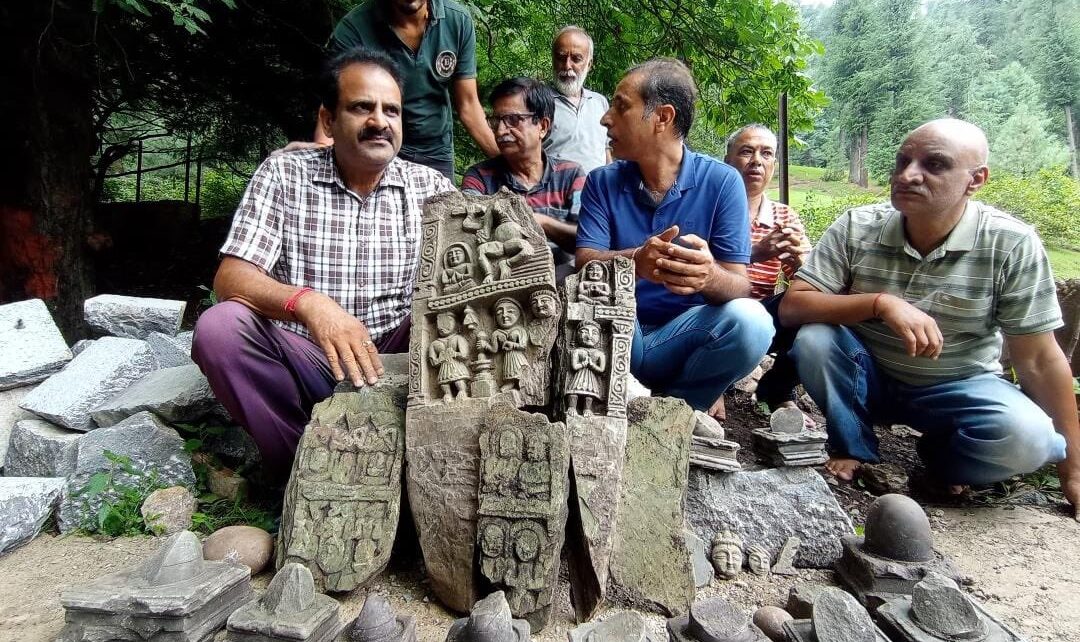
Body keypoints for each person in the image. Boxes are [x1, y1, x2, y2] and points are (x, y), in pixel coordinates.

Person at [780, 118, 1079, 514]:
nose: (907, 175)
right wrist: (881, 303)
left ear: (976, 180)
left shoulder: (1011, 243)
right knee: (816, 339)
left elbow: (1039, 360)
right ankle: (855, 444)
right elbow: (794, 306)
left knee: (1031, 439)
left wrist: (1073, 472)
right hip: (866, 376)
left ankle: (941, 463)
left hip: (959, 385)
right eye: (902, 161)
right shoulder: (856, 226)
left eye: (934, 165)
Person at [191, 47, 455, 480]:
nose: (380, 122)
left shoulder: (431, 188)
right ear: (328, 120)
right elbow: (231, 277)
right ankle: (303, 468)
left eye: (391, 110)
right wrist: (310, 305)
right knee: (220, 329)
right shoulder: (285, 174)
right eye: (362, 107)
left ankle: (426, 467)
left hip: (400, 358)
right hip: (310, 359)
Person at [575, 58, 774, 415]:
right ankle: (626, 405)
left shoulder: (722, 182)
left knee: (753, 322)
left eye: (621, 106)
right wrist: (636, 262)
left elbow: (739, 286)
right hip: (623, 332)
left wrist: (709, 276)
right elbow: (585, 262)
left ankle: (678, 410)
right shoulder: (602, 182)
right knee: (577, 295)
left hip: (688, 337)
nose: (606, 118)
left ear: (662, 117)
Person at [312, 0, 498, 178]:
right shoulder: (355, 28)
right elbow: (335, 101)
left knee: (443, 200)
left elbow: (468, 104)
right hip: (376, 142)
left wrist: (505, 162)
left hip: (436, 151)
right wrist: (319, 156)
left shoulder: (457, 21)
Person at [719, 124, 811, 418]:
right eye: (747, 151)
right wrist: (756, 252)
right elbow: (698, 273)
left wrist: (800, 263)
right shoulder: (711, 206)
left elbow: (809, 282)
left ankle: (778, 390)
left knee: (818, 307)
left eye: (766, 153)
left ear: (774, 164)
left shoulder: (784, 216)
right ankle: (710, 384)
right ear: (727, 160)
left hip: (763, 316)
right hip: (713, 314)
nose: (756, 161)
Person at [461, 77, 585, 272]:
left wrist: (542, 222)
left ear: (542, 126)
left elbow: (588, 240)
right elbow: (469, 236)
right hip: (502, 282)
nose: (500, 131)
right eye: (495, 121)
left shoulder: (571, 175)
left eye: (513, 120)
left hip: (562, 280)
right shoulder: (479, 178)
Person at [544, 26, 610, 174]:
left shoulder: (600, 102)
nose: (567, 66)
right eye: (561, 58)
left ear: (589, 64)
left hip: (597, 188)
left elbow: (606, 149)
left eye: (576, 59)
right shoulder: (538, 101)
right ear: (553, 60)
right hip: (554, 188)